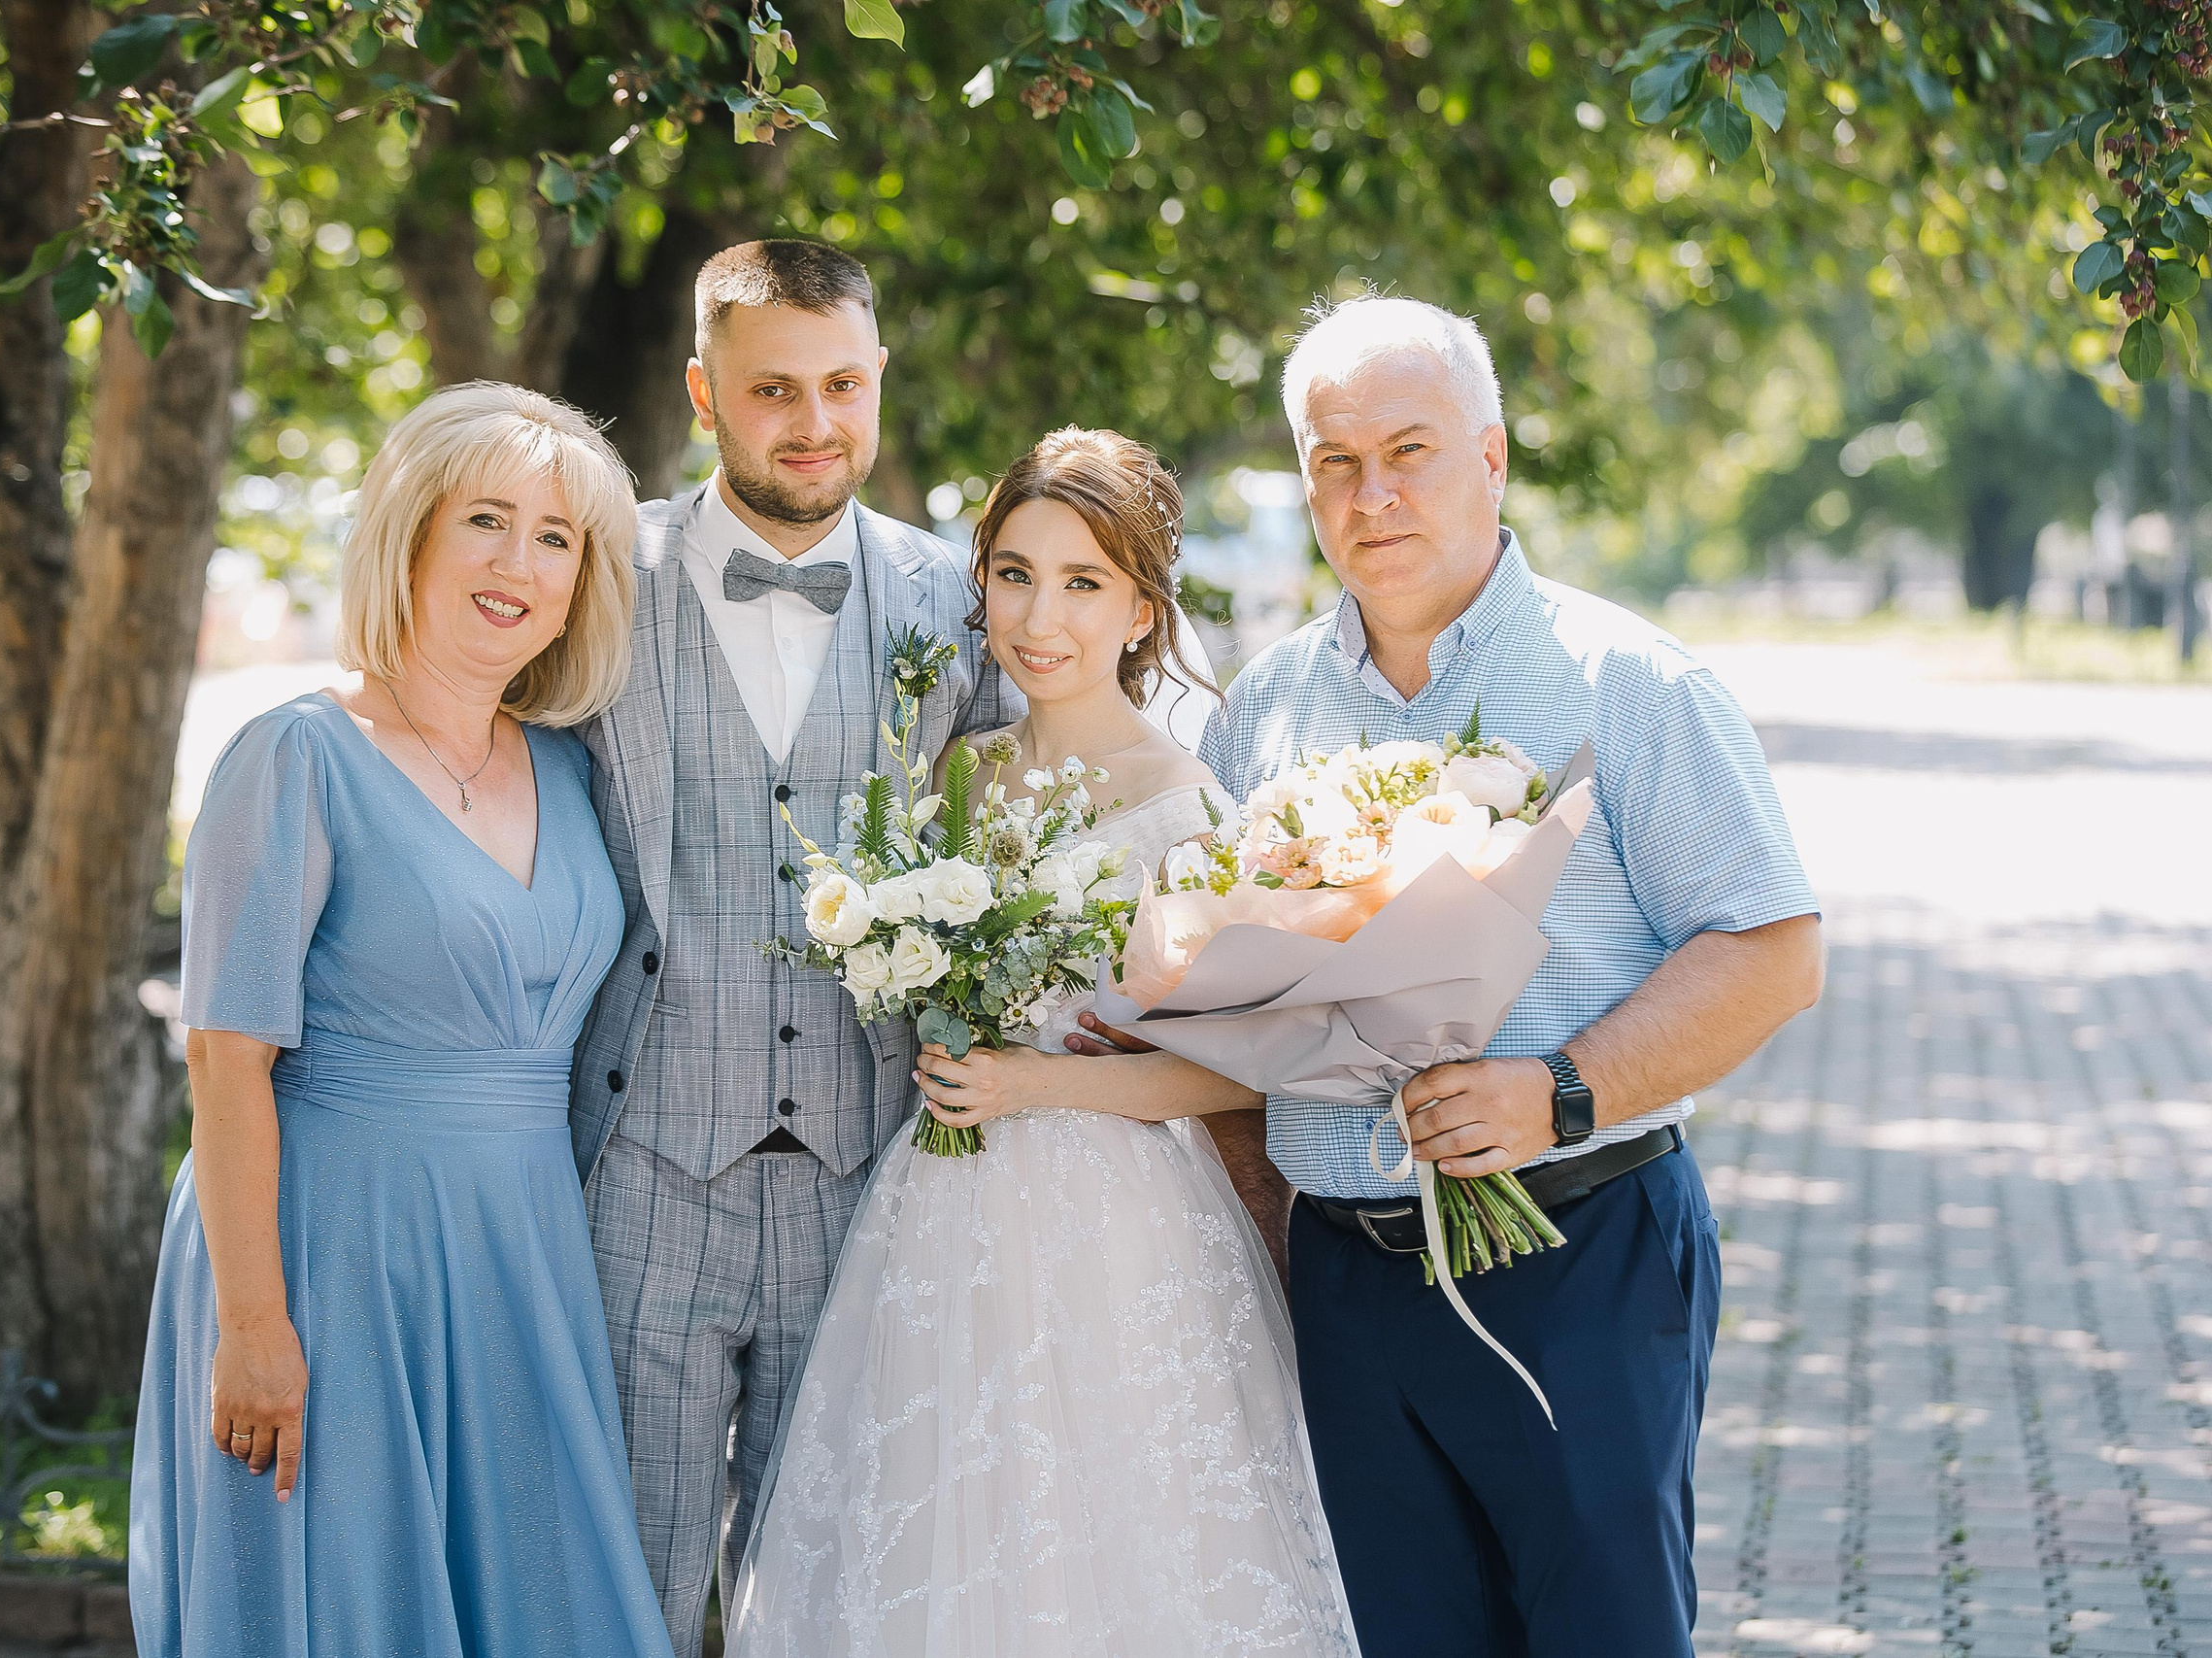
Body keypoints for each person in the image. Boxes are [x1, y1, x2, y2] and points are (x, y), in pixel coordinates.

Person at [1196, 294, 1826, 1658]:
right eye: (1334, 461)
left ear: (1492, 457)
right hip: (1346, 1281)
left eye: (1410, 449)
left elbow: (1774, 951)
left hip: (1574, 1246)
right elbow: (1235, 1000)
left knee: (1601, 1631)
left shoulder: (1632, 684)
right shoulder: (1265, 707)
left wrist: (1560, 1088)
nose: (1373, 494)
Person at [725, 427, 1360, 1656]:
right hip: (942, 1207)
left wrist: (1028, 1079)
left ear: (1138, 609)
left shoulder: (1186, 804)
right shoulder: (956, 776)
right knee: (939, 1517)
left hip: (1122, 1226)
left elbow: (1239, 1069)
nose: (1038, 616)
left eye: (1081, 583)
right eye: (1013, 574)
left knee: (1107, 1535)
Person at [129, 384, 672, 1658]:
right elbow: (224, 1057)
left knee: (548, 1597)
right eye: (486, 518)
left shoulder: (571, 765)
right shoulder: (295, 755)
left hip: (523, 1249)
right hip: (331, 1251)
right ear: (410, 535)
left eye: (555, 536)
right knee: (347, 1596)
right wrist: (254, 1323)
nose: (519, 563)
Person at [569, 239, 1021, 1658]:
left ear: (879, 375)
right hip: (642, 1170)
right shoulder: (592, 574)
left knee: (834, 1593)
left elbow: (1025, 847)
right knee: (620, 1589)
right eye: (773, 389)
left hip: (874, 1168)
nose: (814, 422)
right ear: (705, 392)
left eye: (841, 383)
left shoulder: (964, 601)